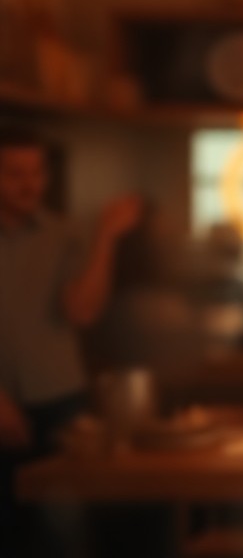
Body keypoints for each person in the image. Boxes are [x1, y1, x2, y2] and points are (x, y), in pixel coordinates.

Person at [0, 125, 143, 557]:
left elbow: (81, 309)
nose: (29, 185)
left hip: (62, 400)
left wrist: (105, 236)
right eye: (13, 174)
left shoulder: (66, 234)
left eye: (36, 172)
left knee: (64, 533)